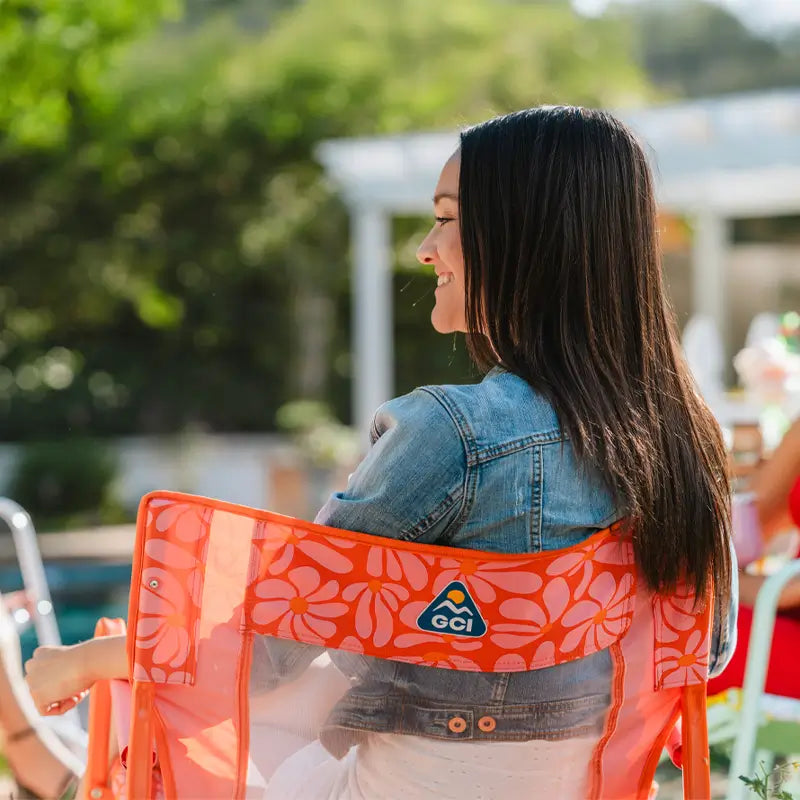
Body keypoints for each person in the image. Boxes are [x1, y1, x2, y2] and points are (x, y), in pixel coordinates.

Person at [25, 106, 737, 799]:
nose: (426, 247)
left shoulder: (453, 434)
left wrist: (79, 661)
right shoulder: (686, 440)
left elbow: (266, 648)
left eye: (449, 218)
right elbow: (702, 653)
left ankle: (47, 772)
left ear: (529, 238)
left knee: (220, 715)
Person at [708, 418, 800, 699]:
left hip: (781, 599)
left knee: (686, 633)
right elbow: (748, 524)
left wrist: (716, 582)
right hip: (780, 605)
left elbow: (787, 591)